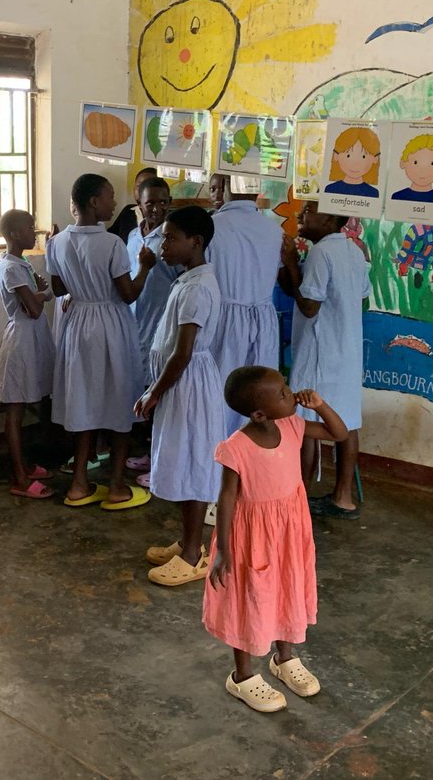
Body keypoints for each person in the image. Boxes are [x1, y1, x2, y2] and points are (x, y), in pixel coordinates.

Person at [204, 367, 348, 713]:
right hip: (250, 537)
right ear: (258, 414)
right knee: (247, 597)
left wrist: (320, 405)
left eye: (286, 386)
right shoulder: (236, 448)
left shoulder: (293, 426)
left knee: (286, 587)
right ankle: (242, 676)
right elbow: (226, 499)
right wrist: (223, 551)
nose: (291, 392)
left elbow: (338, 434)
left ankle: (284, 659)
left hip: (289, 532)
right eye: (283, 393)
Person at [47, 173, 153, 511]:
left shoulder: (58, 242)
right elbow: (126, 294)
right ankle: (117, 486)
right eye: (109, 196)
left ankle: (79, 484)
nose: (113, 202)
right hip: (110, 324)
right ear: (94, 202)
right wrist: (145, 268)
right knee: (120, 402)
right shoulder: (112, 243)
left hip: (77, 324)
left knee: (85, 404)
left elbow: (59, 289)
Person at [135, 207, 223, 586]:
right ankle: (187, 541)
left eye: (171, 238)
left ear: (196, 242)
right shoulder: (188, 280)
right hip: (180, 384)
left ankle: (194, 554)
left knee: (193, 462)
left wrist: (155, 391)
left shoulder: (198, 288)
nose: (163, 244)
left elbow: (182, 352)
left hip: (187, 383)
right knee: (185, 460)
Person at [278, 202, 372, 518]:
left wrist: (292, 263)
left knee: (303, 422)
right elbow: (359, 297)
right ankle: (343, 497)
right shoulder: (354, 251)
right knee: (348, 421)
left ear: (330, 218)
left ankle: (298, 496)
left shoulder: (321, 252)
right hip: (346, 351)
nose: (301, 215)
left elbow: (309, 307)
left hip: (320, 352)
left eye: (309, 211)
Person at [208, 173, 283, 436]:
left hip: (224, 319)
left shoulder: (213, 226)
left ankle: (218, 462)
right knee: (259, 395)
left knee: (221, 390)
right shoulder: (274, 230)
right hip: (263, 319)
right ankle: (252, 460)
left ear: (230, 187)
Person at [0, 210, 56, 499]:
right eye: (30, 228)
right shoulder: (10, 267)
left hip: (33, 339)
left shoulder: (22, 263)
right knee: (15, 410)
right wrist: (42, 296)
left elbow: (34, 298)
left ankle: (26, 465)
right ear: (14, 234)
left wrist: (38, 291)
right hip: (20, 341)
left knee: (34, 400)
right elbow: (32, 309)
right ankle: (19, 476)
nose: (35, 232)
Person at [123, 176, 177, 481]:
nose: (156, 209)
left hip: (161, 325)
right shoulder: (133, 236)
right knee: (142, 390)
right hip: (135, 324)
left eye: (162, 203)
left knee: (159, 394)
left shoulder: (169, 239)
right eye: (149, 203)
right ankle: (150, 453)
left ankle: (161, 463)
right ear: (139, 205)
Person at [391, 133, 433, 203]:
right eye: (415, 162)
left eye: (432, 163)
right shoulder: (397, 197)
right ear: (403, 163)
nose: (423, 170)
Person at [323, 126, 381, 198]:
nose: (355, 163)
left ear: (375, 159)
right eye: (348, 155)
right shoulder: (330, 189)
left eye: (363, 156)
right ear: (336, 155)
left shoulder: (373, 193)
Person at [106, 165, 159, 242]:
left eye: (148, 186)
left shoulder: (166, 218)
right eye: (139, 186)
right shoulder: (128, 211)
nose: (142, 191)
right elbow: (110, 236)